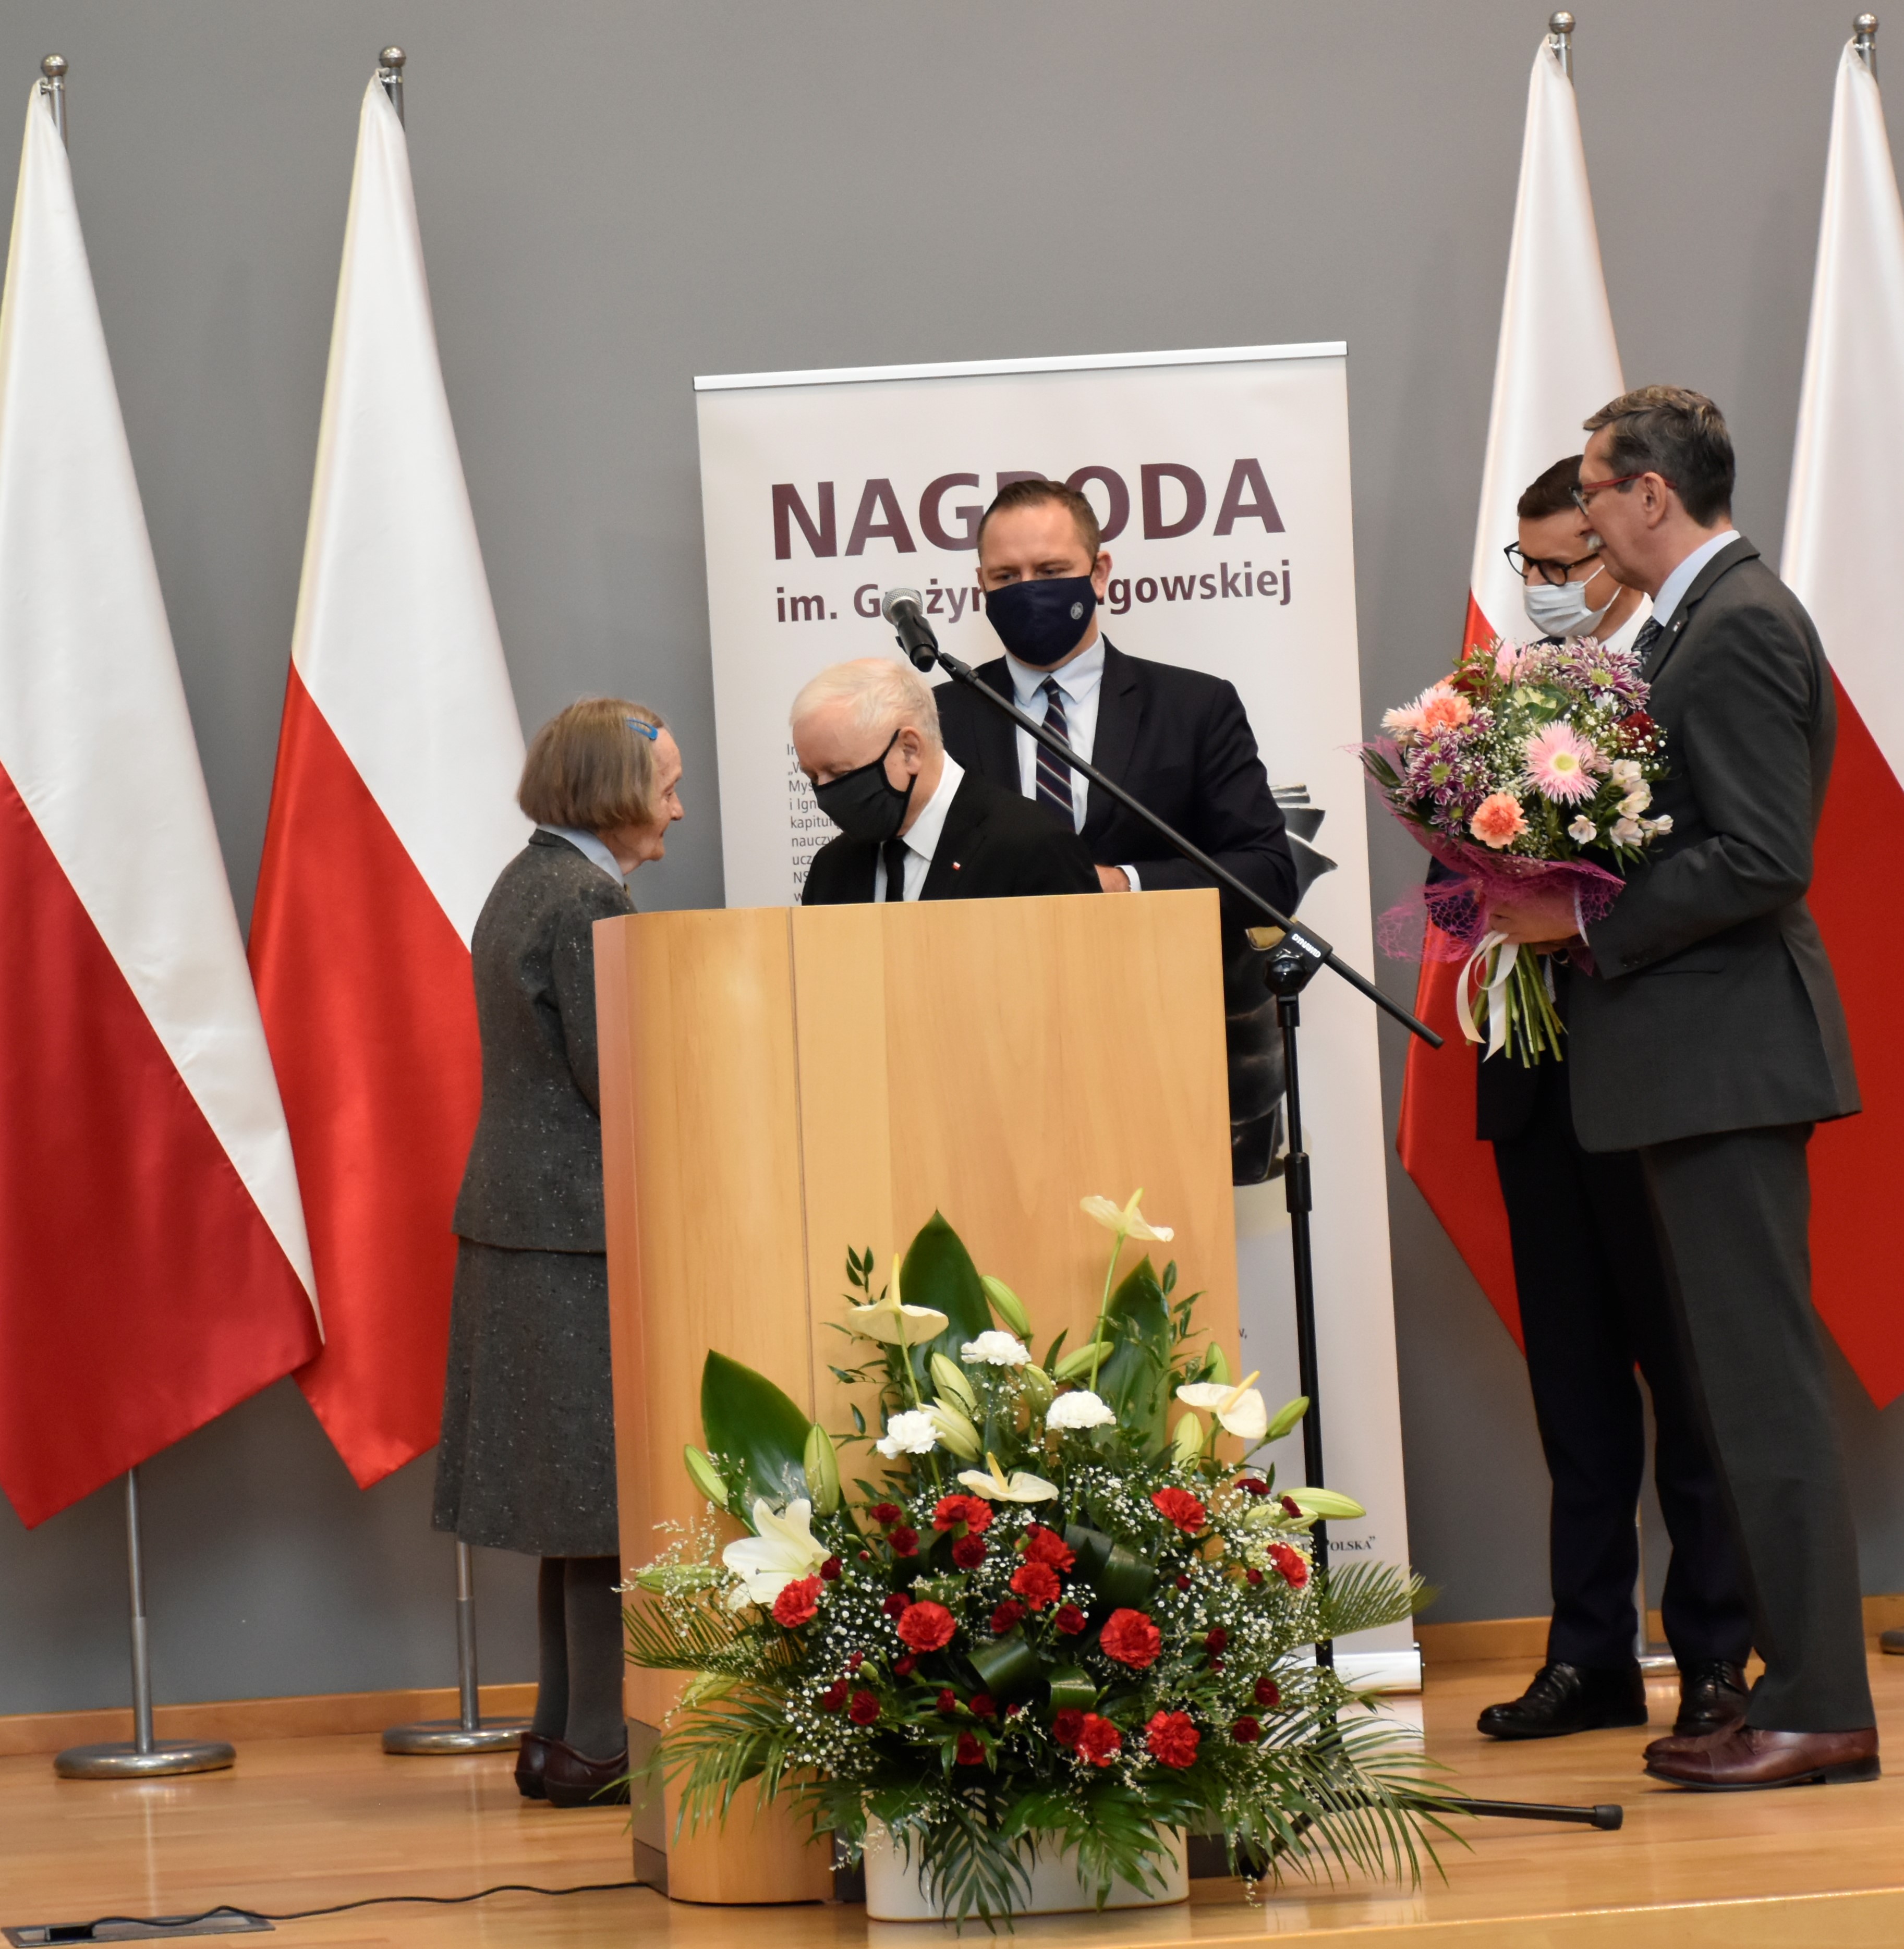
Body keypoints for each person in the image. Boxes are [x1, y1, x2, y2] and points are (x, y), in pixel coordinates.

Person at [1494, 387, 1873, 1790]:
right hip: (1684, 1066)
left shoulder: (1741, 624)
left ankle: (1821, 1704)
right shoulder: (1685, 625)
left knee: (1759, 1394)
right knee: (1726, 1391)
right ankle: (1782, 1683)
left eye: (1592, 494)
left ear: (1649, 493)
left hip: (1724, 1062)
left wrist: (1583, 922)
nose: (1581, 522)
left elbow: (1766, 855)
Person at [1471, 455, 1750, 1745]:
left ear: (1618, 538)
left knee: (1687, 1383)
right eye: (1525, 567)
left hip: (1653, 1074)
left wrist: (1577, 907)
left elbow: (1722, 862)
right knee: (1574, 1393)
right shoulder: (1500, 694)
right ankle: (1588, 1655)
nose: (1543, 587)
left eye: (1562, 563)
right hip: (1536, 1084)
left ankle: (1713, 1652)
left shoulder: (1678, 676)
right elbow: (1467, 881)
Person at [433, 697, 685, 1808]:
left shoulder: (528, 877)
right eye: (668, 786)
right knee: (604, 1503)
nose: (678, 807)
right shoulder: (586, 901)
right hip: (575, 1233)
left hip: (528, 1222)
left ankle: (560, 1737)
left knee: (574, 1504)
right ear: (615, 792)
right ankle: (598, 1744)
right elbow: (613, 1079)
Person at [933, 478, 1297, 1176]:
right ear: (980, 585)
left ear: (1098, 572)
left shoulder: (1193, 707)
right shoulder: (943, 718)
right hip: (991, 1055)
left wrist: (1121, 885)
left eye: (1050, 571)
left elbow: (1267, 874)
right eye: (1006, 577)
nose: (1028, 591)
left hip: (1160, 1043)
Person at [795, 657, 1097, 903]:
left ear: (910, 750)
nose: (825, 793)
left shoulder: (1034, 847)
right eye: (813, 777)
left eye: (841, 773)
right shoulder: (831, 869)